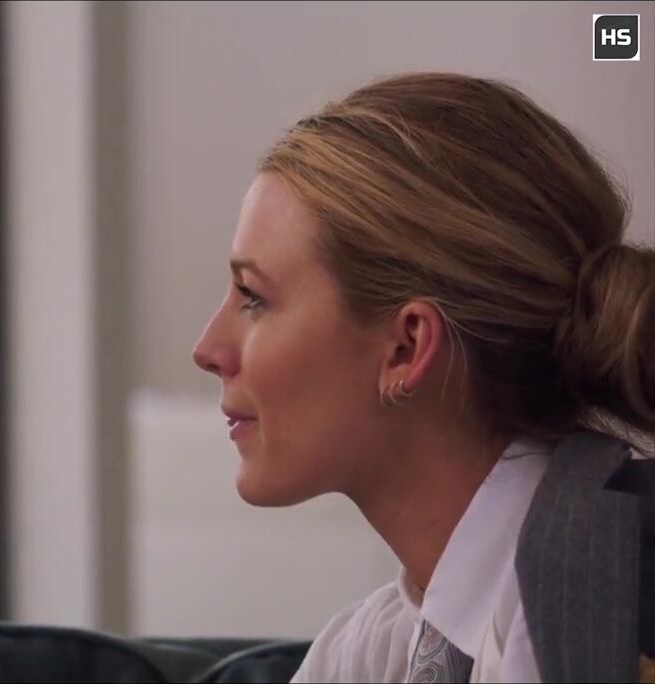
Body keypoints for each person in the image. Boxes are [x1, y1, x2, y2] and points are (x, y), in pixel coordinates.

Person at [192, 71, 654, 682]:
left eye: (254, 298)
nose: (207, 349)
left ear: (407, 348)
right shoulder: (365, 654)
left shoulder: (611, 611)